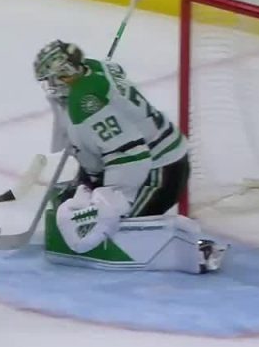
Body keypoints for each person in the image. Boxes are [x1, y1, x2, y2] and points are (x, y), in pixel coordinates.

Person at [33, 40, 227, 273]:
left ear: (68, 71)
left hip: (160, 171)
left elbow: (131, 154)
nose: (52, 85)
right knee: (74, 202)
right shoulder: (94, 68)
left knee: (112, 227)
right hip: (154, 155)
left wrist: (115, 196)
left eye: (55, 77)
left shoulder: (85, 102)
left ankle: (195, 249)